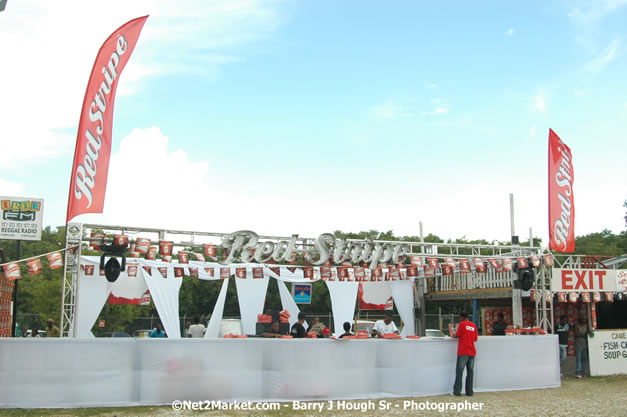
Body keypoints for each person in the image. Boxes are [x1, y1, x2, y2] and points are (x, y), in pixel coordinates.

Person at [453, 312, 478, 397]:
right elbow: (475, 339)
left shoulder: (462, 324)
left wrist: (454, 334)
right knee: (470, 372)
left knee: (459, 371)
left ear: (462, 317)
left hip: (463, 351)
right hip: (472, 351)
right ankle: (469, 391)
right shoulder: (473, 326)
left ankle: (457, 391)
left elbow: (457, 335)